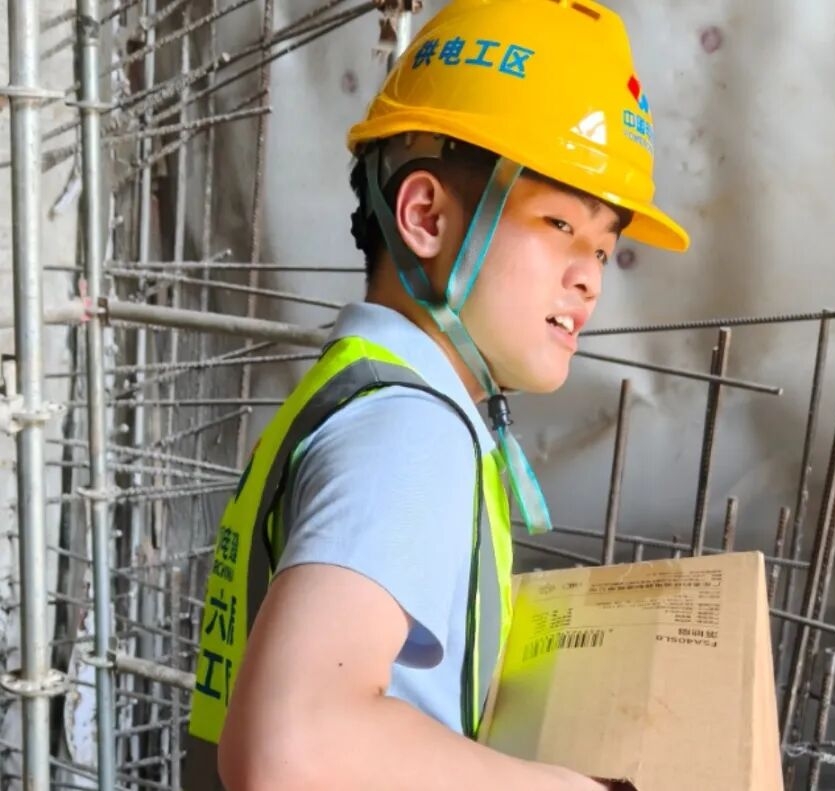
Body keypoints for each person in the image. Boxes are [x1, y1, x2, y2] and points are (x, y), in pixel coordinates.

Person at [182, 0, 689, 788]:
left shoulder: (362, 394)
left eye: (603, 246)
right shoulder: (409, 431)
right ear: (424, 215)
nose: (589, 277)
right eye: (560, 224)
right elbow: (293, 746)